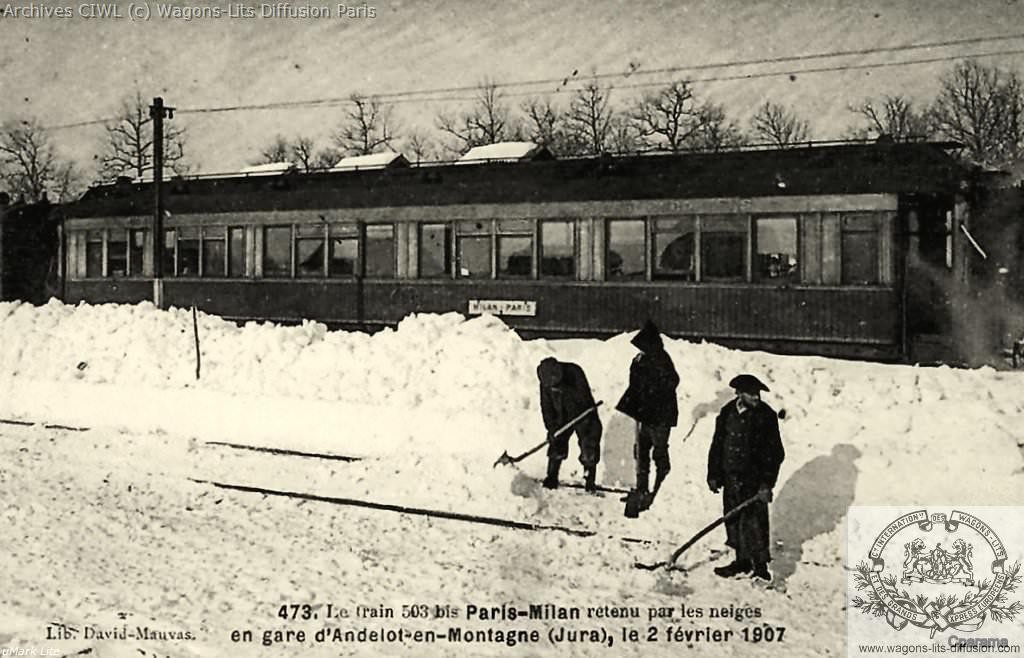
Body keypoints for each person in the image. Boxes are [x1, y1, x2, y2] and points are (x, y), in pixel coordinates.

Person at [707, 374, 785, 582]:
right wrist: (714, 474)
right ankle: (741, 561)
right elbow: (717, 445)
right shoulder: (727, 412)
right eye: (751, 394)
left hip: (754, 480)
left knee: (755, 523)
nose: (756, 398)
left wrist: (767, 484)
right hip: (730, 476)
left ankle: (760, 567)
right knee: (733, 519)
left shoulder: (766, 416)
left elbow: (775, 453)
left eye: (757, 394)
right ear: (739, 394)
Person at [615, 320, 679, 510]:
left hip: (660, 418)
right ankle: (641, 488)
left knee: (659, 452)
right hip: (644, 415)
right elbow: (635, 385)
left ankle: (660, 489)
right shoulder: (640, 359)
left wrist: (651, 397)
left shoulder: (662, 360)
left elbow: (671, 382)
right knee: (641, 452)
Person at [537, 357, 603, 492]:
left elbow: (583, 397)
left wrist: (563, 389)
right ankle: (552, 476)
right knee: (556, 442)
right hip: (561, 415)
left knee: (589, 443)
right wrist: (551, 428)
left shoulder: (574, 372)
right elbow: (546, 407)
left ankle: (589, 479)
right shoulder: (545, 381)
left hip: (583, 413)